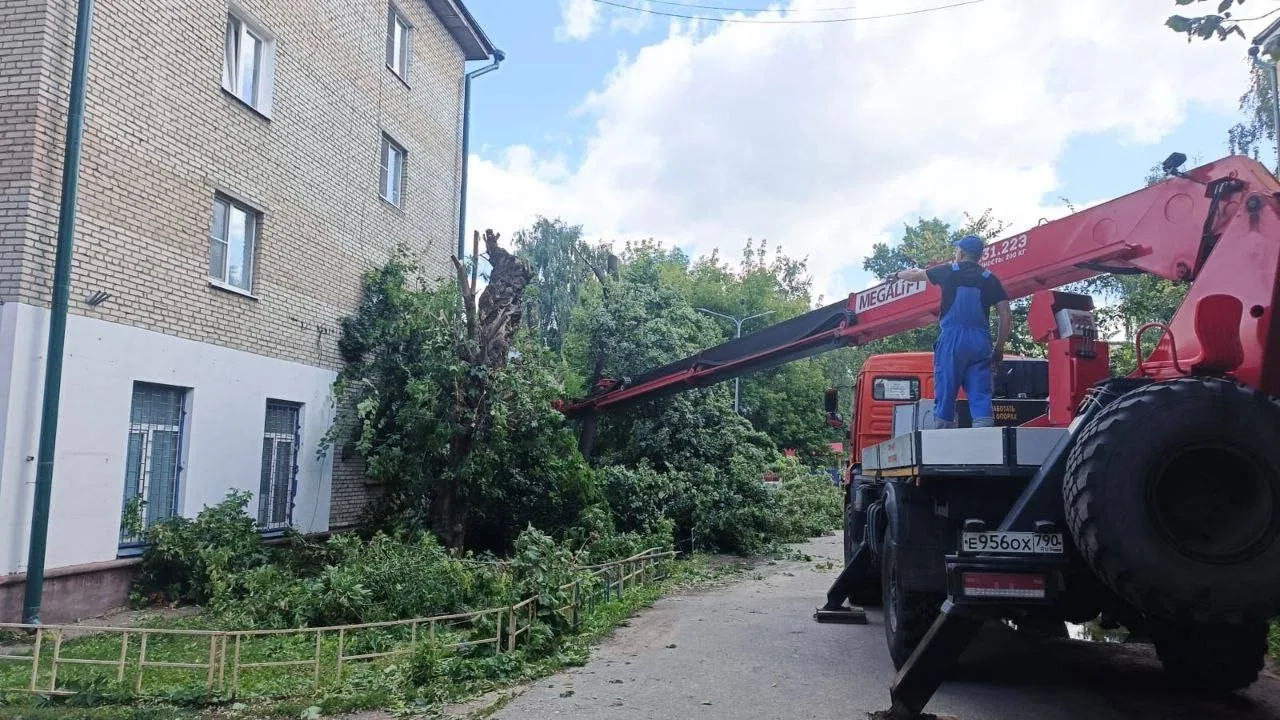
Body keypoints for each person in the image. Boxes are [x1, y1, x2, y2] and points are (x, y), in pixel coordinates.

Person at [885, 234, 1012, 429]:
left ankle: (942, 447)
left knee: (946, 393)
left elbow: (916, 274)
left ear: (960, 252)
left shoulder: (948, 272)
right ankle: (986, 446)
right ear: (979, 256)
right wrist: (999, 348)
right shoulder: (991, 279)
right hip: (980, 342)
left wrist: (896, 275)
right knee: (981, 399)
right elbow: (1006, 316)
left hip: (953, 340)